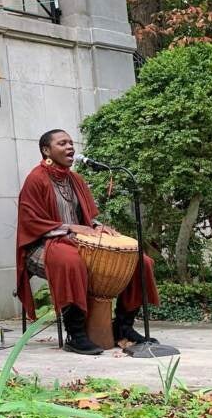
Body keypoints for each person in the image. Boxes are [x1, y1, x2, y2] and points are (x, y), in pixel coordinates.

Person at [15, 129, 159, 355]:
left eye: (71, 143)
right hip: (42, 244)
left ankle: (123, 326)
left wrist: (96, 226)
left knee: (141, 261)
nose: (70, 147)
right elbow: (30, 222)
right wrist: (70, 228)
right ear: (46, 150)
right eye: (62, 143)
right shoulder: (36, 179)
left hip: (77, 242)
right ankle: (77, 334)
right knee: (71, 262)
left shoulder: (76, 179)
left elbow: (86, 220)